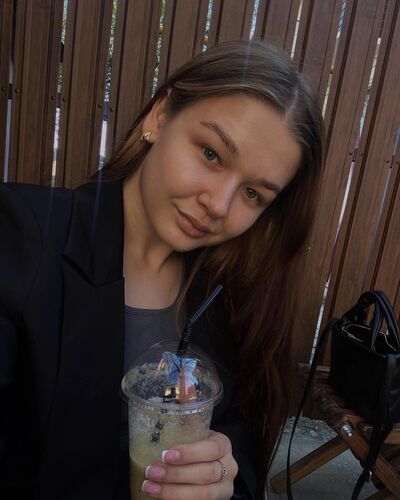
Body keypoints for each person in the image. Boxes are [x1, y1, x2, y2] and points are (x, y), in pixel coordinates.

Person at [0, 40, 324, 500]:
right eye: (211, 154)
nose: (218, 204)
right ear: (159, 115)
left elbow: (242, 453)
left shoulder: (228, 298)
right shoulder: (22, 237)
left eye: (253, 194)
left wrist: (220, 476)